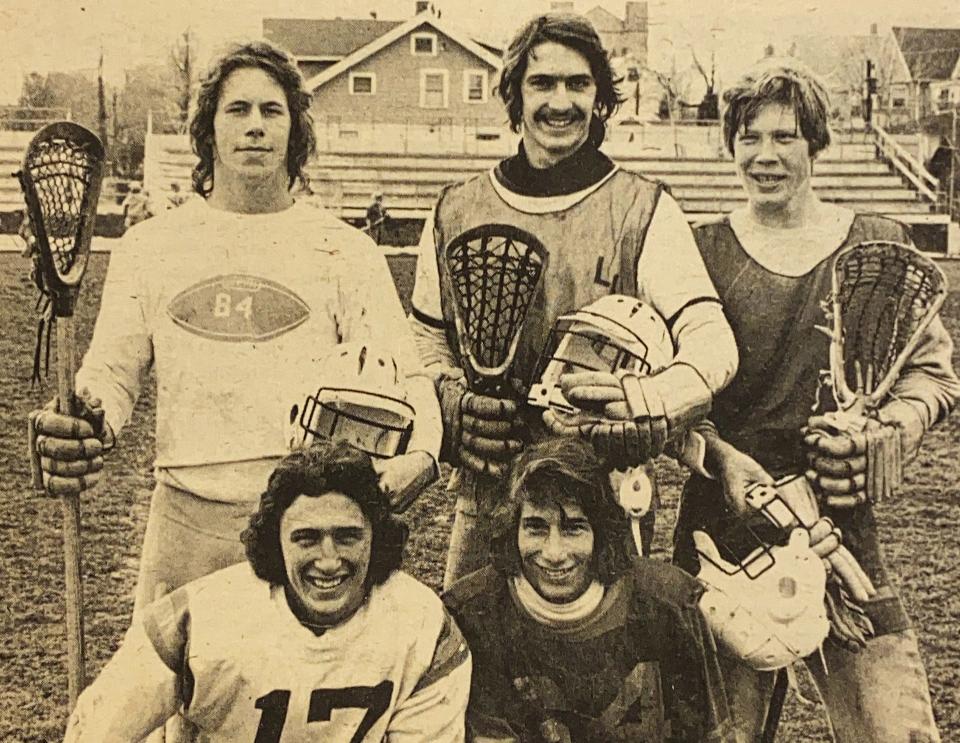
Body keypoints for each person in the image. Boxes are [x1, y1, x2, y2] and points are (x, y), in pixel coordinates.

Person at [28, 39, 441, 616]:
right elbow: (111, 375)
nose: (255, 127)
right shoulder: (151, 247)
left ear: (295, 130)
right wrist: (83, 419)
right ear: (208, 129)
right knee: (179, 701)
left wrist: (423, 455)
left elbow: (408, 378)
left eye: (272, 111)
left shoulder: (347, 252)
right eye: (237, 110)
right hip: (184, 520)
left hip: (307, 527)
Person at [671, 60, 960, 742]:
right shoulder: (698, 249)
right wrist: (716, 454)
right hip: (725, 525)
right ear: (730, 145)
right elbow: (669, 399)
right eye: (750, 138)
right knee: (719, 733)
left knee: (893, 728)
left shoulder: (874, 240)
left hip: (841, 524)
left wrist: (882, 431)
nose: (765, 156)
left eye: (786, 137)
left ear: (817, 144)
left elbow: (935, 376)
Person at [409, 12, 738, 588]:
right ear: (513, 93)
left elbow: (714, 343)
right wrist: (450, 399)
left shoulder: (644, 208)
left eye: (578, 83)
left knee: (604, 671)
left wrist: (647, 400)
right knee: (473, 660)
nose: (560, 102)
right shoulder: (455, 208)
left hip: (602, 497)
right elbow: (426, 337)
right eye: (542, 83)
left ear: (601, 96)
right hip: (490, 493)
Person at [64, 439, 471, 742]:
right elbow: (97, 729)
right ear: (276, 541)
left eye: (347, 537)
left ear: (377, 537)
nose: (328, 560)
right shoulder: (201, 620)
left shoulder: (422, 626)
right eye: (306, 538)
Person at [443, 436, 735, 742]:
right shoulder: (472, 613)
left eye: (573, 528)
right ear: (511, 529)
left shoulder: (669, 604)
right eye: (536, 527)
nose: (554, 553)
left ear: (601, 532)